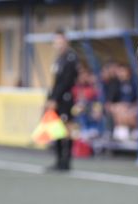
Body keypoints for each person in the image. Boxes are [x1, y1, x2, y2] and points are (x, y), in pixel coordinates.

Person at [46, 30, 79, 171]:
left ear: (66, 41)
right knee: (57, 129)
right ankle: (59, 160)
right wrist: (50, 98)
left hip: (66, 98)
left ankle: (66, 161)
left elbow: (66, 81)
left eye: (60, 41)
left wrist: (55, 98)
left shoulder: (71, 58)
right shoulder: (59, 59)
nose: (58, 44)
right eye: (56, 41)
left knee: (67, 128)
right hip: (57, 98)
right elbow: (56, 81)